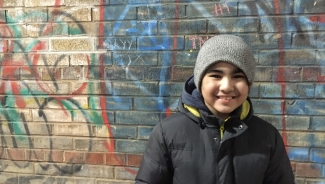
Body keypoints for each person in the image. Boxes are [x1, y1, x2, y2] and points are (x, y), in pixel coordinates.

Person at [135, 35, 295, 184]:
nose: (226, 86)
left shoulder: (267, 136)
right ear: (200, 81)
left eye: (238, 76)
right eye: (216, 76)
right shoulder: (167, 133)